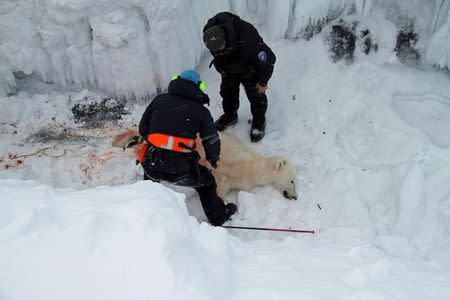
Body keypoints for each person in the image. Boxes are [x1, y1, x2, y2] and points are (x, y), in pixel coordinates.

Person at [138, 70, 237, 226]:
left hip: (152, 165)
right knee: (207, 183)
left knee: (150, 177)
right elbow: (212, 141)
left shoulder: (158, 101)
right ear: (198, 87)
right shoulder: (202, 112)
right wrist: (213, 160)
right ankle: (218, 217)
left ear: (177, 81)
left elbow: (143, 129)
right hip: (180, 171)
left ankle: (144, 210)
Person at [203, 12, 276, 142]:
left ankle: (259, 121)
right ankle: (230, 116)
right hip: (228, 70)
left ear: (226, 39)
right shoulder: (211, 36)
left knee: (256, 95)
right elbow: (217, 50)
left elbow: (269, 60)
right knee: (227, 93)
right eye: (214, 51)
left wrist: (263, 82)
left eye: (220, 48)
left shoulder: (248, 40)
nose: (217, 52)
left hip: (249, 69)